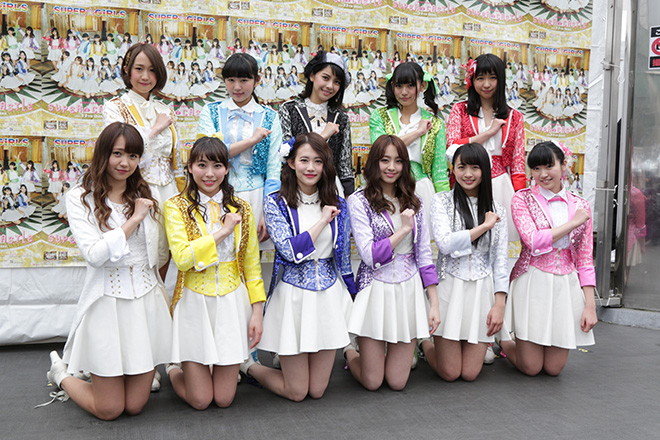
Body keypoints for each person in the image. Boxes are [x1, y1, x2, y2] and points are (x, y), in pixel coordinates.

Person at [45, 122, 171, 421]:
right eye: (117, 153)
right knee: (110, 409)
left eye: (133, 155)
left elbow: (159, 253)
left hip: (146, 305)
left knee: (135, 405)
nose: (125, 162)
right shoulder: (80, 197)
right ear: (103, 153)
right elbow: (95, 255)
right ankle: (61, 374)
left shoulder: (147, 193)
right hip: (107, 304)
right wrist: (133, 219)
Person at [241, 133, 355, 401]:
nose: (311, 168)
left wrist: (353, 295)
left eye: (318, 161)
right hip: (292, 296)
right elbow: (290, 252)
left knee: (316, 390)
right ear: (291, 162)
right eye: (304, 160)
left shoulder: (339, 203)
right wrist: (323, 221)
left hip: (328, 296)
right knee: (297, 391)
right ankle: (249, 367)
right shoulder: (275, 202)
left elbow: (343, 258)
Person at [163, 136, 266, 409]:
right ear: (189, 168)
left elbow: (251, 265)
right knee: (200, 400)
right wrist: (223, 231)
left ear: (227, 169)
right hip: (193, 302)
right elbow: (183, 259)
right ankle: (172, 369)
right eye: (202, 165)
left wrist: (257, 311)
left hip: (233, 302)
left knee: (223, 399)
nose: (209, 173)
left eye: (217, 165)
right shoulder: (175, 206)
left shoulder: (242, 208)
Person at [345, 135, 440, 391]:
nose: (391, 167)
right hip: (375, 288)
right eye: (384, 160)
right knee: (372, 381)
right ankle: (349, 352)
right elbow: (369, 255)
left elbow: (425, 255)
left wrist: (433, 303)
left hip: (408, 290)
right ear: (374, 163)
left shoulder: (415, 200)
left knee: (397, 382)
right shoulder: (359, 201)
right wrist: (403, 230)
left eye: (398, 161)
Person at [499, 141, 597, 376]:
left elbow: (585, 259)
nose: (542, 174)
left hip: (566, 285)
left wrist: (590, 306)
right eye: (536, 168)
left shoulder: (581, 205)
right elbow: (533, 241)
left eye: (548, 166)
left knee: (554, 369)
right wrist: (574, 222)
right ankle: (503, 341)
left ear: (563, 165)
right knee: (531, 368)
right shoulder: (522, 199)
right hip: (533, 280)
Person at [420, 143, 509, 381]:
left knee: (469, 373)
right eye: (461, 167)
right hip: (449, 287)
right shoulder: (441, 201)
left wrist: (499, 305)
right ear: (453, 169)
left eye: (474, 168)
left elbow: (500, 261)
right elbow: (445, 244)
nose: (467, 174)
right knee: (450, 373)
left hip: (482, 291)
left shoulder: (498, 209)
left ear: (485, 170)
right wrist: (484, 226)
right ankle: (424, 344)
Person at [197, 53, 282, 249]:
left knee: (252, 254)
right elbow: (209, 154)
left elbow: (273, 167)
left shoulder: (270, 116)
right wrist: (251, 141)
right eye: (231, 80)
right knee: (217, 251)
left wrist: (268, 212)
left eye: (244, 80)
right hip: (215, 192)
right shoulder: (210, 111)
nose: (237, 87)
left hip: (256, 194)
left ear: (257, 80)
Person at [446, 53, 526, 244]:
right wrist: (489, 133)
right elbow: (452, 148)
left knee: (498, 243)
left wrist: (521, 201)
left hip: (500, 185)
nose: (487, 84)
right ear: (472, 80)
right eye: (480, 78)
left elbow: (517, 165)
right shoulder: (460, 110)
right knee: (464, 239)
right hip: (467, 183)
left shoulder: (514, 117)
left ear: (501, 80)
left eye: (492, 77)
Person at [103, 43, 185, 210]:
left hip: (169, 193)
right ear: (126, 70)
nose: (145, 76)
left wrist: (181, 193)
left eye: (152, 70)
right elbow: (119, 151)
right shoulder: (115, 107)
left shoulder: (166, 111)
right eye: (139, 69)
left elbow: (175, 160)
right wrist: (155, 129)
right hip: (132, 191)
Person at [369, 62, 449, 217]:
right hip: (386, 189)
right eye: (399, 86)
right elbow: (381, 150)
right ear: (392, 86)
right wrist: (418, 132)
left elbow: (439, 172)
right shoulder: (379, 116)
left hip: (421, 190)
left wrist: (446, 207)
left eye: (410, 86)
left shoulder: (435, 123)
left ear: (422, 86)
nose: (404, 92)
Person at [279, 50, 355, 197]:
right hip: (294, 189)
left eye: (337, 82)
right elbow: (286, 153)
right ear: (312, 75)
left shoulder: (341, 118)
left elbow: (344, 165)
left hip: (330, 191)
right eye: (325, 78)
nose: (330, 86)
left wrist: (348, 197)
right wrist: (324, 135)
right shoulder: (289, 109)